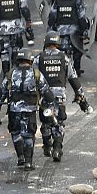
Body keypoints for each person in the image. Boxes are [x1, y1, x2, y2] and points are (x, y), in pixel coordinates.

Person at [33, 32, 91, 161]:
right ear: (58, 43)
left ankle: (47, 144)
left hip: (44, 96)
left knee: (46, 122)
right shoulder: (64, 58)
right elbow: (73, 78)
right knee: (59, 122)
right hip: (59, 96)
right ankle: (57, 149)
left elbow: (33, 78)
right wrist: (80, 95)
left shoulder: (38, 58)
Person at [0, 49, 55, 171]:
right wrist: (50, 105)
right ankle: (28, 162)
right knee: (29, 135)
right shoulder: (36, 74)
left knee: (15, 133)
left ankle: (20, 157)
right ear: (30, 60)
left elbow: (2, 92)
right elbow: (47, 93)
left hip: (13, 111)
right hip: (30, 111)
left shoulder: (11, 74)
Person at [0, 0, 34, 76]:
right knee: (17, 49)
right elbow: (25, 9)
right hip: (16, 28)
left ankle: (6, 74)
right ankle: (15, 72)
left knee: (4, 52)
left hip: (2, 29)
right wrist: (28, 22)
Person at [47, 0, 90, 75]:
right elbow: (82, 17)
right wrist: (84, 31)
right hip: (74, 32)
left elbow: (52, 15)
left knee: (60, 50)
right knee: (78, 50)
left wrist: (51, 28)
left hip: (60, 30)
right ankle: (76, 69)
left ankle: (62, 69)